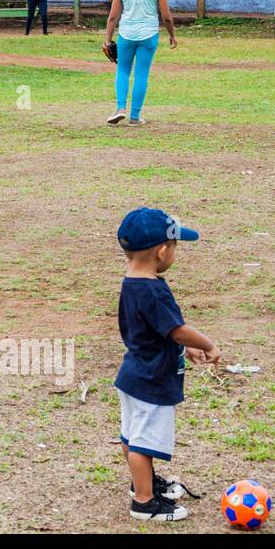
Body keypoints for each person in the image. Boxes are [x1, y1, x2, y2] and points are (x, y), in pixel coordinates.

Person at [113, 207, 219, 522]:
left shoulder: (131, 284)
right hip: (152, 380)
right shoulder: (154, 291)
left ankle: (141, 483)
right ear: (162, 251)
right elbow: (175, 329)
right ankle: (144, 502)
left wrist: (184, 350)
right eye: (175, 247)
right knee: (143, 444)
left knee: (132, 438)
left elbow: (153, 332)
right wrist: (204, 343)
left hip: (134, 373)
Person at [103, 0, 176, 126]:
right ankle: (135, 116)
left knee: (122, 71)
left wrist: (108, 40)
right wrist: (172, 35)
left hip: (126, 35)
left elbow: (113, 17)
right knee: (141, 74)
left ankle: (120, 108)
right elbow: (167, 17)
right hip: (148, 35)